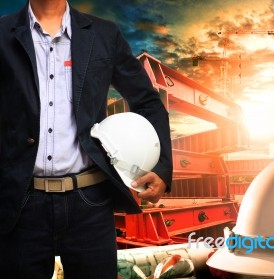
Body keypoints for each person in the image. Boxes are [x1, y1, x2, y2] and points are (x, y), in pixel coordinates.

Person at [0, 0, 173, 278]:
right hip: (20, 203)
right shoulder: (3, 32)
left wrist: (162, 166)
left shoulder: (105, 34)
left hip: (90, 202)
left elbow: (147, 101)